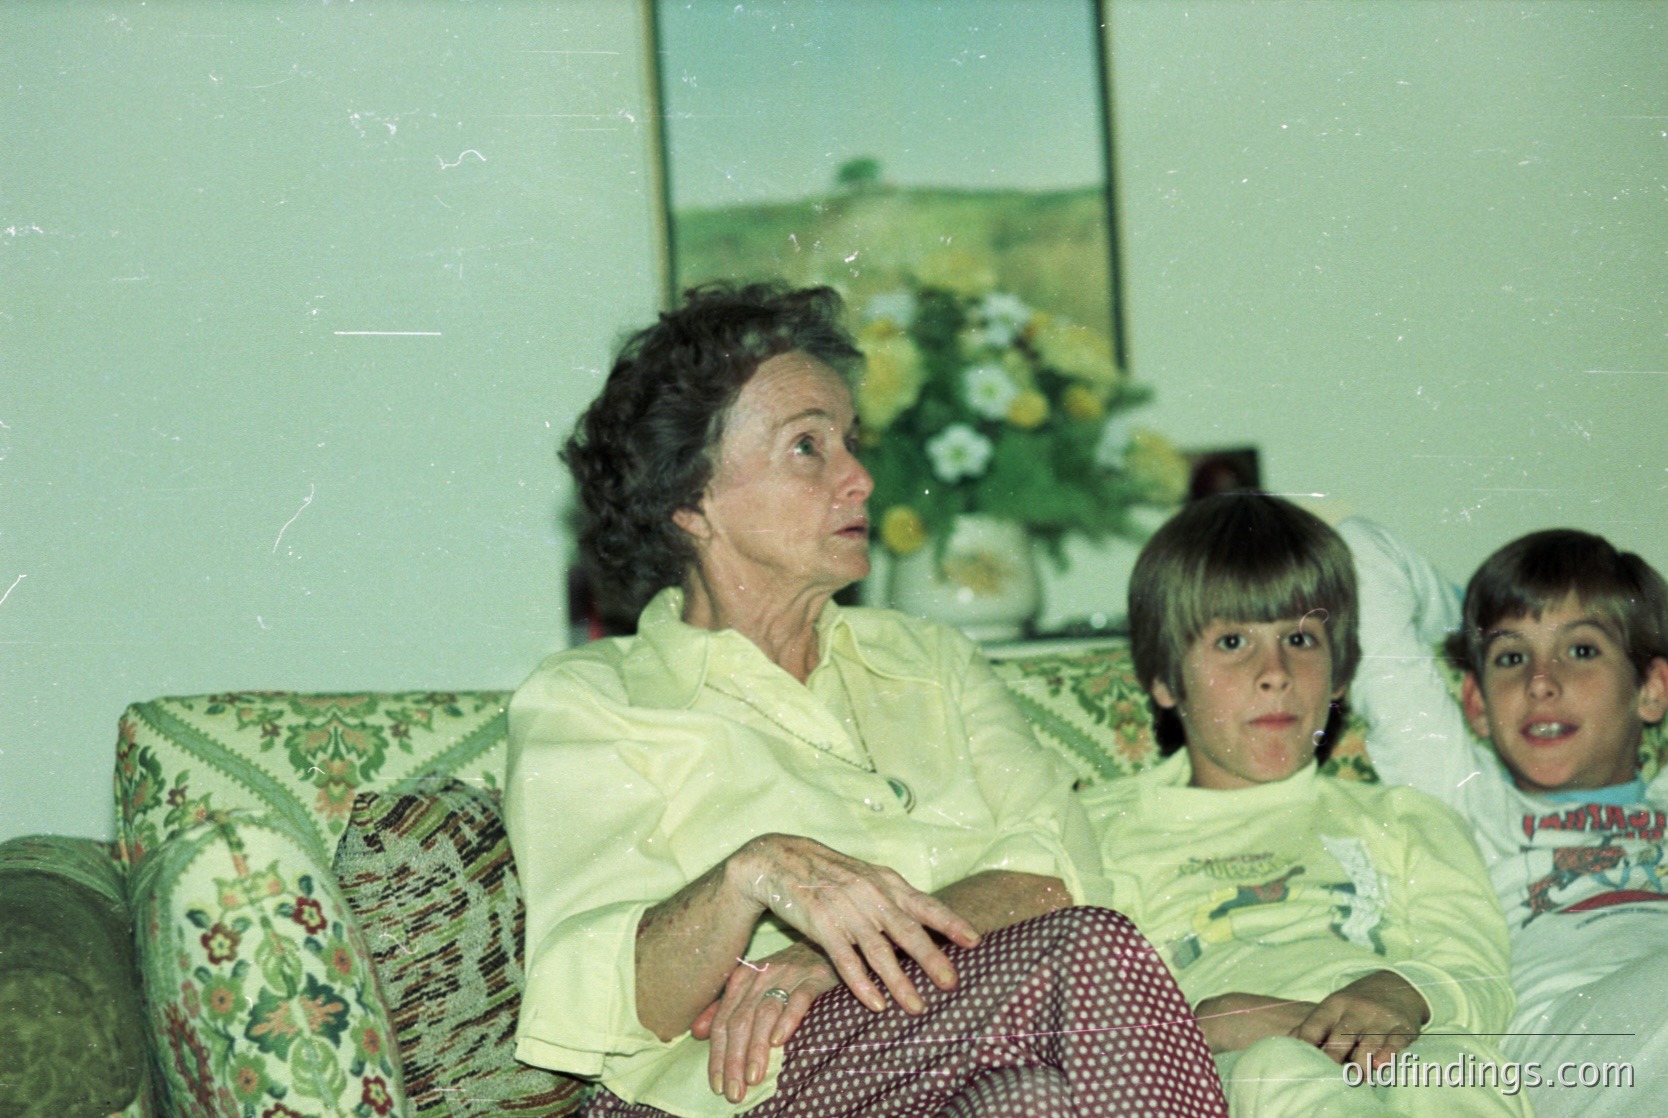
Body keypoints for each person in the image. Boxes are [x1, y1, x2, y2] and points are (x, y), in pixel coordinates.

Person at [505, 282, 1228, 1118]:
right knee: (1092, 958)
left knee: (1030, 1102)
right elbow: (599, 1000)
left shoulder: (931, 659)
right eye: (807, 447)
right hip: (739, 1095)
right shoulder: (591, 702)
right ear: (690, 501)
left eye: (850, 441)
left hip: (948, 1052)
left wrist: (848, 956)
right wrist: (755, 872)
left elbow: (1063, 873)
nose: (859, 477)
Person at [1080, 494, 1529, 1117]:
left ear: (1341, 671)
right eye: (1233, 640)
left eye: (1300, 638)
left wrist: (1404, 990)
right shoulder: (1097, 829)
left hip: (1405, 1045)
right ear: (1163, 679)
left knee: (1443, 1070)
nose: (1275, 672)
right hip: (1234, 1063)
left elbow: (1478, 968)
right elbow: (1068, 1010)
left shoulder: (1403, 817)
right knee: (1278, 1067)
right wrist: (1197, 1026)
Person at [1343, 518, 1668, 1118]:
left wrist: (1496, 642)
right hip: (1568, 1045)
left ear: (1651, 689)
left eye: (1581, 650)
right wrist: (1470, 636)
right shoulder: (1467, 798)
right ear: (1477, 704)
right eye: (1513, 657)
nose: (1541, 682)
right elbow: (1363, 555)